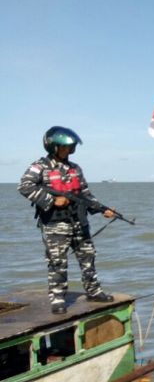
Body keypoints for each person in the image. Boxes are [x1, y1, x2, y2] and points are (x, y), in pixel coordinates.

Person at [18, 126, 116, 314]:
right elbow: (24, 186)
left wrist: (102, 209)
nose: (68, 151)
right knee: (57, 262)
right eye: (64, 147)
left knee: (88, 257)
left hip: (79, 222)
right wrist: (52, 200)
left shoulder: (75, 168)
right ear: (52, 146)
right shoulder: (40, 166)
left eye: (70, 148)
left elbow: (85, 194)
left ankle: (94, 291)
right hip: (55, 223)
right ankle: (57, 299)